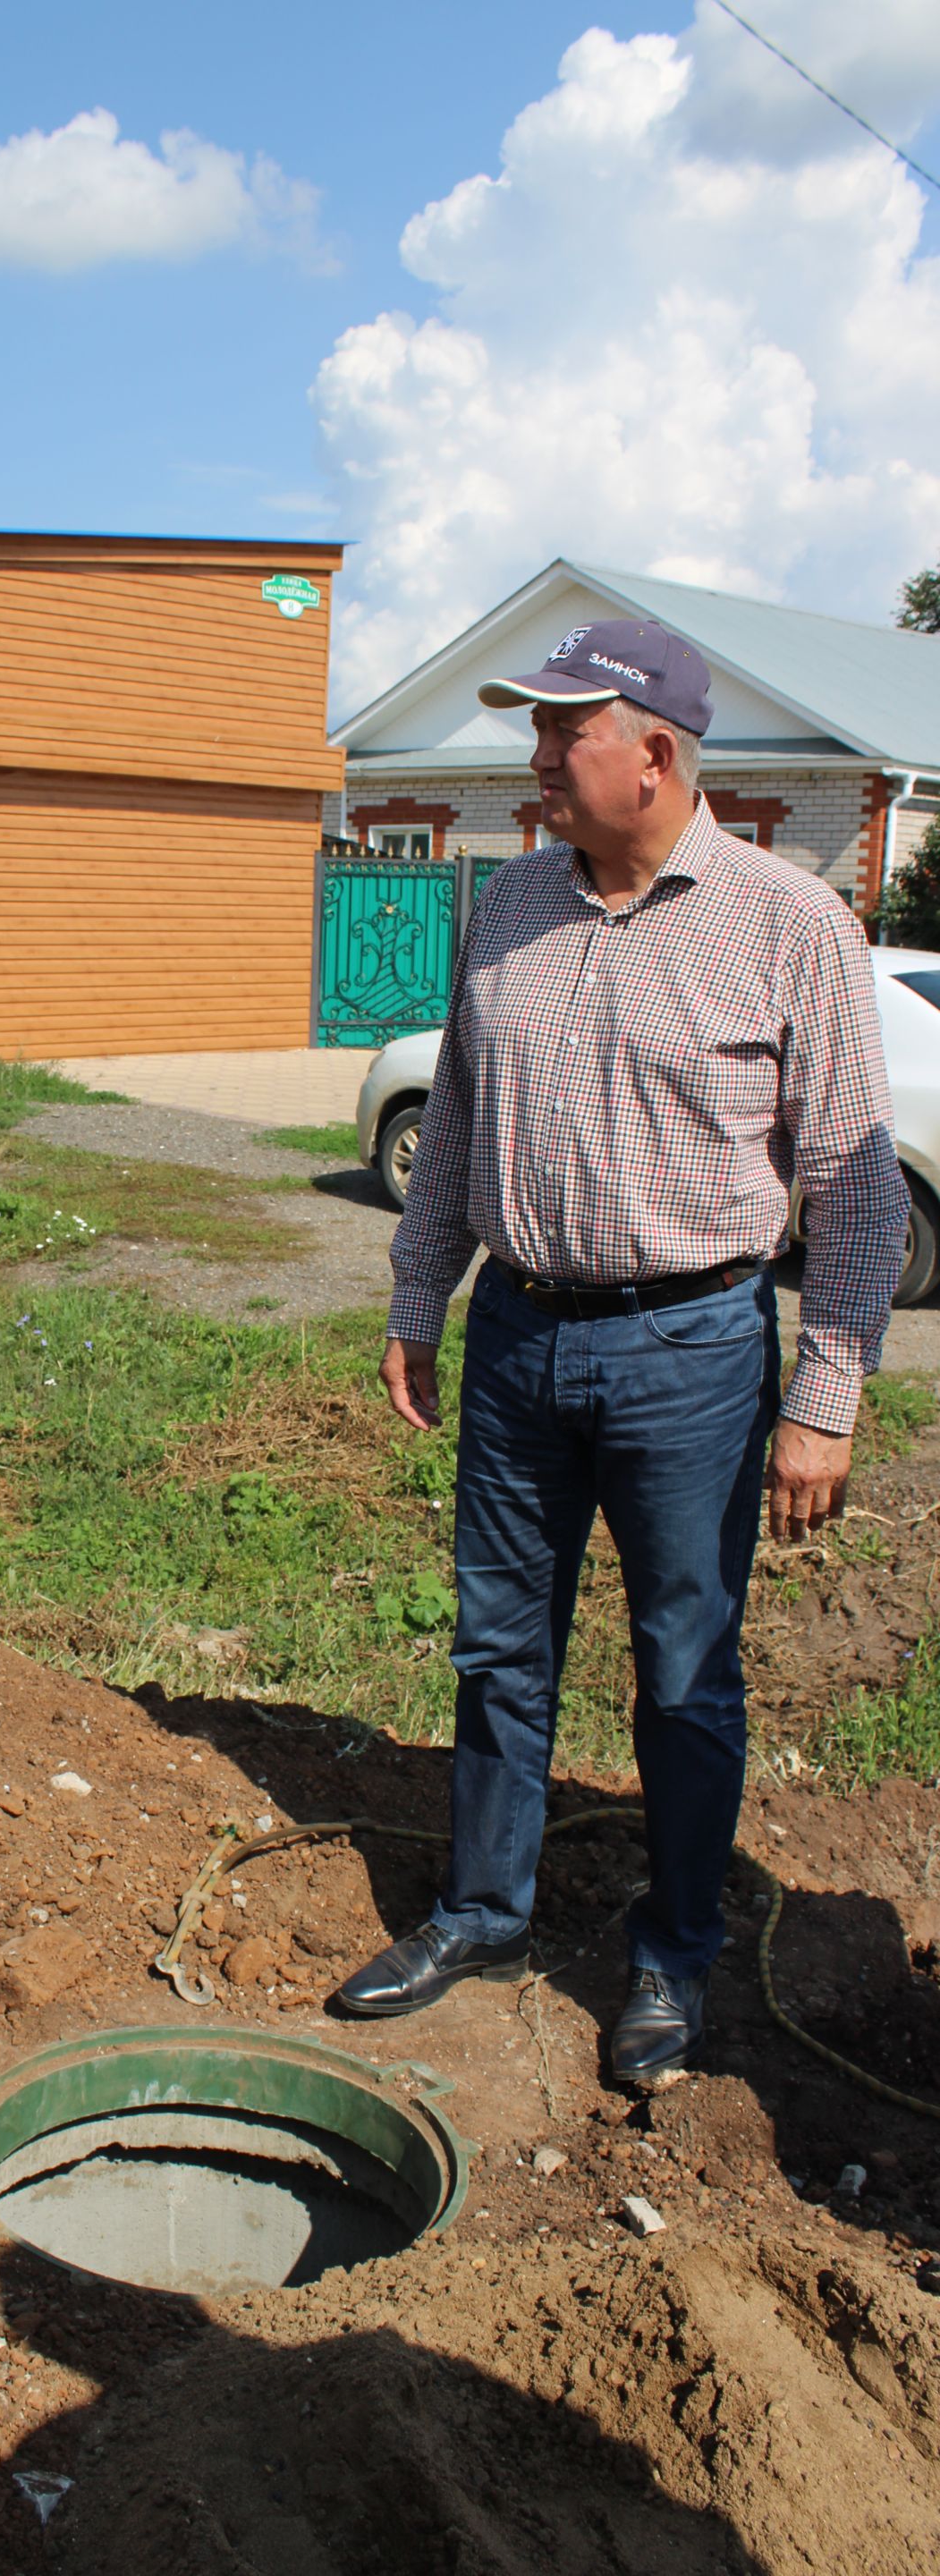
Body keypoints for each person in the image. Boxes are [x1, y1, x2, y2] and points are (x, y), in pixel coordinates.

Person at [332, 617, 906, 2084]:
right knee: (497, 1645)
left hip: (692, 1351)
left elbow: (854, 1184)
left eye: (558, 730)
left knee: (685, 1669)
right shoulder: (511, 903)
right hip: (522, 1337)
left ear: (652, 752)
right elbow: (456, 1121)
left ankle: (675, 1956)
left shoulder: (791, 924)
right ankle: (482, 1910)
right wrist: (420, 1298)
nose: (533, 758)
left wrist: (826, 1396)